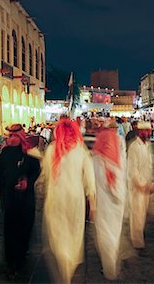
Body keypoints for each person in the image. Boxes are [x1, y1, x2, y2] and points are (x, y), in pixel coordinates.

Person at [42, 118, 96, 284]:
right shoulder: (81, 151)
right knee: (73, 233)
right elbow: (90, 180)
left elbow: (44, 176)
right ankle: (69, 265)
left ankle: (63, 264)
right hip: (75, 199)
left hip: (55, 199)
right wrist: (92, 204)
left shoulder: (51, 150)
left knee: (58, 234)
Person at [0, 124, 41, 278]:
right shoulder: (3, 153)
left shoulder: (29, 153)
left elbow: (35, 170)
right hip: (10, 198)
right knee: (11, 230)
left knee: (25, 227)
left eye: (15, 136)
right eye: (10, 135)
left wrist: (27, 181)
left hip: (26, 199)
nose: (12, 138)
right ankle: (12, 262)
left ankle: (21, 255)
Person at [92, 124, 127, 280]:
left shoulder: (97, 161)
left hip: (106, 206)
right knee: (112, 235)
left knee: (106, 235)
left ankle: (109, 267)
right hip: (112, 205)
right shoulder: (117, 162)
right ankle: (110, 265)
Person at [127, 121, 154, 249]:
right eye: (144, 131)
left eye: (148, 131)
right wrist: (141, 185)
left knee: (142, 215)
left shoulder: (147, 145)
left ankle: (139, 238)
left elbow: (150, 166)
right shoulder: (134, 146)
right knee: (137, 215)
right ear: (139, 131)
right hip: (137, 187)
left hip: (147, 185)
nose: (146, 133)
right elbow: (132, 169)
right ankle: (137, 243)